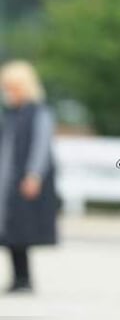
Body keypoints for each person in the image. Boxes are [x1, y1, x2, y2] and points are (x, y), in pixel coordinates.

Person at [0, 60, 58, 293]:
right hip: (9, 181)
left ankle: (24, 279)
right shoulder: (11, 115)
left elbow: (41, 146)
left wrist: (33, 174)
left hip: (24, 180)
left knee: (21, 231)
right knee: (11, 231)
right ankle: (17, 278)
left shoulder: (38, 112)